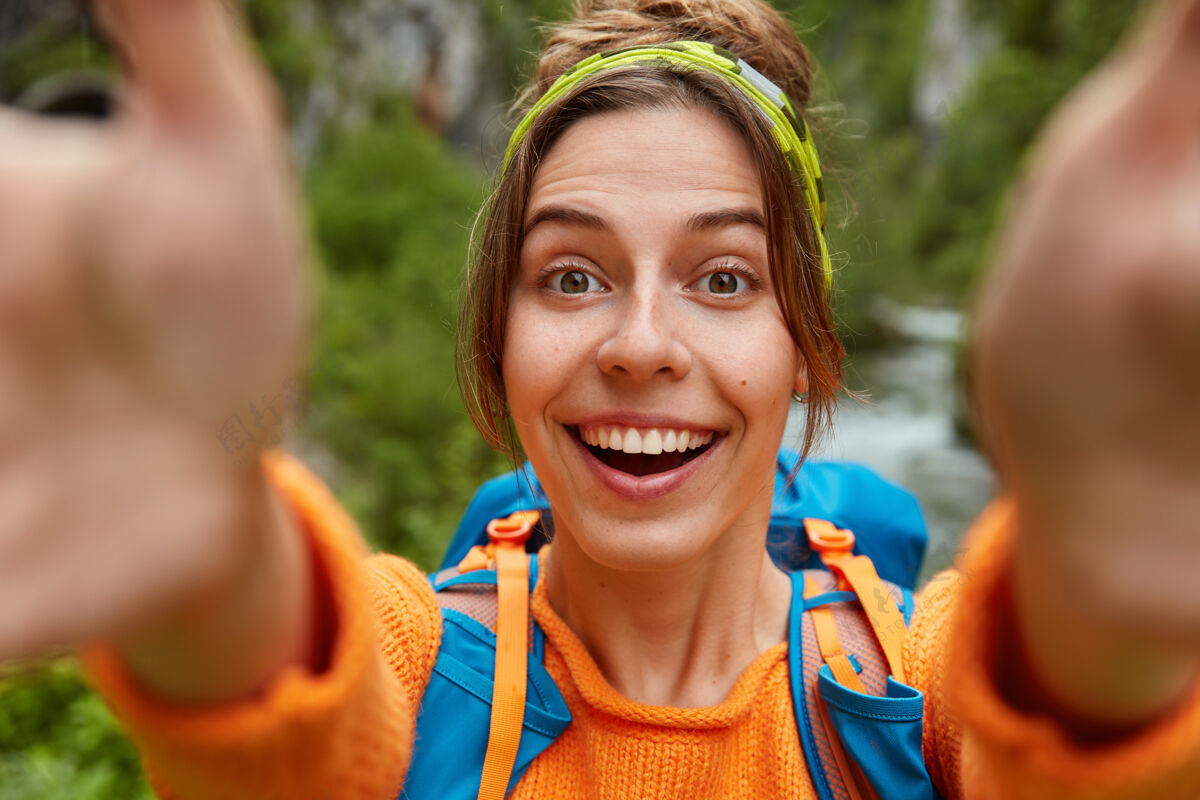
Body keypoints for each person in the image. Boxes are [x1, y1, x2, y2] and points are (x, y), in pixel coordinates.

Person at [1, 0, 1199, 798]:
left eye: (723, 278)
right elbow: (294, 708)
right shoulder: (424, 674)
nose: (638, 343)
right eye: (571, 274)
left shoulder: (911, 692)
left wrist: (1102, 588)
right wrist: (212, 549)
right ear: (499, 334)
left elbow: (1049, 737)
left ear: (811, 351)